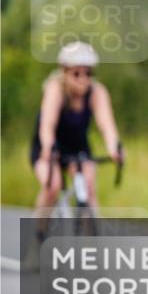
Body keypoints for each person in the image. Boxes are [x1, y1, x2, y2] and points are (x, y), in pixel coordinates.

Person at [29, 41, 124, 249]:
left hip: (78, 150)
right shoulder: (55, 90)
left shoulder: (97, 92)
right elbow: (47, 126)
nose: (83, 79)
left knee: (89, 188)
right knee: (52, 186)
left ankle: (94, 250)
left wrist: (114, 148)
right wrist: (48, 148)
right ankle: (36, 243)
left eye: (88, 73)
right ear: (64, 72)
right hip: (48, 149)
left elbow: (107, 126)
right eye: (76, 74)